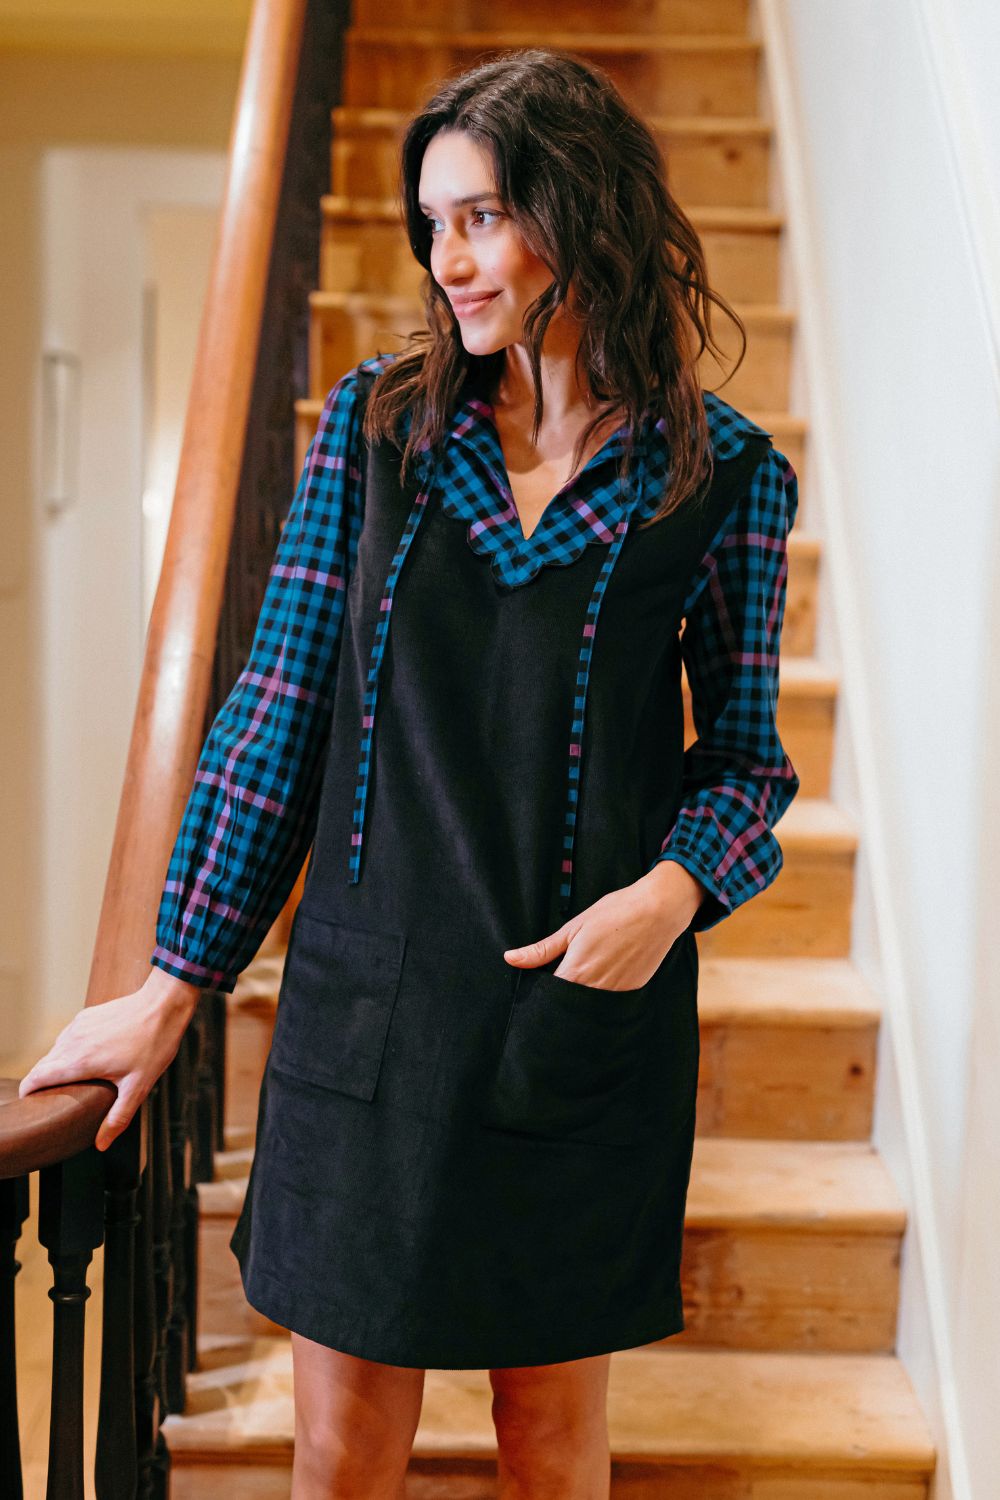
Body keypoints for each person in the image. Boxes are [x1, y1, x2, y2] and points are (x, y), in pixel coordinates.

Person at [20, 48, 800, 1500]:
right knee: (343, 1450)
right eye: (434, 221)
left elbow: (748, 771)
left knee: (552, 1448)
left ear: (583, 213)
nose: (450, 258)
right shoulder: (377, 430)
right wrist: (173, 981)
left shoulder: (727, 477)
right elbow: (275, 709)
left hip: (577, 1031)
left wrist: (673, 895)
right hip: (367, 1019)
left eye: (485, 216)